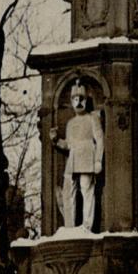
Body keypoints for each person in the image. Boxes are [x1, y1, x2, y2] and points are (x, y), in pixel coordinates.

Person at [55, 82, 104, 230]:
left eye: (81, 98)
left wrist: (98, 160)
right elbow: (69, 144)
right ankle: (70, 226)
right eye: (75, 99)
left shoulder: (92, 118)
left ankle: (87, 225)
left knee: (86, 189)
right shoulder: (70, 123)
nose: (78, 101)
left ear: (85, 100)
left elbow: (100, 138)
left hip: (87, 156)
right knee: (69, 192)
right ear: (71, 101)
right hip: (73, 159)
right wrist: (56, 140)